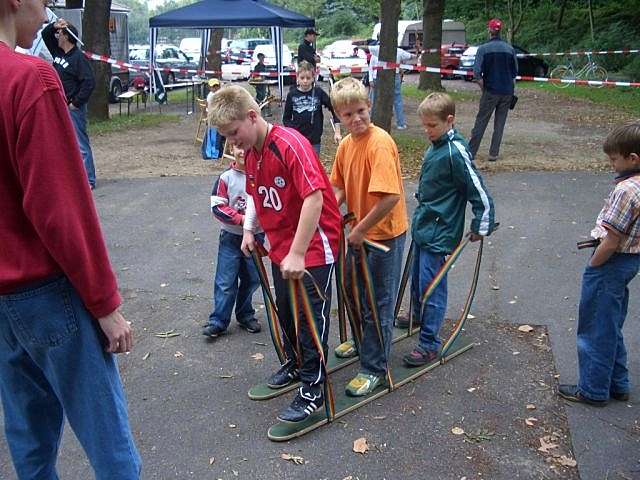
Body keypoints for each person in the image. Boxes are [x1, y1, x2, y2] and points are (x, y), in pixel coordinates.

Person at [0, 1, 141, 478]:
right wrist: (105, 304)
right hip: (46, 294)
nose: (45, 16)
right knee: (110, 449)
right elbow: (61, 210)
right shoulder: (29, 79)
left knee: (30, 448)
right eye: (43, 2)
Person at [208, 85, 341, 422]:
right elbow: (255, 194)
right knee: (285, 311)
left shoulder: (290, 144)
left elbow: (314, 199)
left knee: (310, 316)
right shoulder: (252, 152)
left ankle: (314, 388)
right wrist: (250, 230)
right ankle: (297, 365)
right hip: (282, 245)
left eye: (233, 132)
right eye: (225, 136)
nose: (232, 142)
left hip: (312, 244)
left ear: (252, 116)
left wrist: (297, 253)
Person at [329, 77, 408, 396]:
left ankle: (374, 366)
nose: (356, 119)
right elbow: (339, 186)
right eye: (348, 115)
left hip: (384, 236)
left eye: (360, 111)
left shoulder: (379, 142)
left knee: (379, 301)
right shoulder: (347, 145)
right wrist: (329, 215)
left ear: (369, 105)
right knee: (353, 290)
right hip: (358, 235)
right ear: (339, 116)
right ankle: (363, 341)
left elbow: (390, 197)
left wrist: (360, 229)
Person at [403, 92, 495, 367]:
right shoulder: (437, 145)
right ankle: (418, 315)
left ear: (449, 120)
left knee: (432, 287)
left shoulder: (456, 152)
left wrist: (482, 223)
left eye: (432, 125)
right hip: (424, 225)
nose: (427, 131)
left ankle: (430, 343)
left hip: (440, 231)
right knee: (417, 279)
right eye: (425, 125)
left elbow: (478, 190)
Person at [559, 122, 640, 407]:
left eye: (614, 159)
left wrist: (594, 265)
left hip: (611, 262)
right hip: (631, 261)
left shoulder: (627, 190)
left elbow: (613, 239)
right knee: (611, 322)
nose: (612, 165)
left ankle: (593, 389)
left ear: (633, 159)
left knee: (595, 326)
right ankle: (618, 383)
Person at [203, 145, 263, 338]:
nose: (243, 151)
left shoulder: (261, 175)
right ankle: (218, 320)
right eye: (238, 147)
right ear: (231, 148)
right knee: (225, 280)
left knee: (252, 278)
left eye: (247, 147)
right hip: (230, 237)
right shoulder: (226, 178)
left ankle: (245, 314)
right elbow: (218, 207)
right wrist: (243, 219)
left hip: (256, 237)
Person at [42, 17, 97, 189]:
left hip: (73, 108)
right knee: (62, 143)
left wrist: (76, 102)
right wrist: (54, 25)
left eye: (60, 33)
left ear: (66, 36)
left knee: (80, 144)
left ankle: (88, 180)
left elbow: (89, 82)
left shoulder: (78, 58)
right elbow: (45, 34)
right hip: (59, 106)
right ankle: (70, 178)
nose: (57, 35)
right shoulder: (58, 53)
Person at [467, 18, 518, 162]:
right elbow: (514, 75)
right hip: (507, 92)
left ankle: (471, 152)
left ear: (489, 30)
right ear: (500, 30)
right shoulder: (510, 49)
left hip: (491, 91)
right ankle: (493, 154)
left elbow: (477, 74)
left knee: (481, 122)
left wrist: (485, 88)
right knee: (500, 124)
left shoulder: (483, 49)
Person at [282, 60, 341, 157]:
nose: (305, 81)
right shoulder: (291, 94)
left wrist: (337, 131)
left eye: (308, 78)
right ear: (297, 77)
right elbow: (286, 118)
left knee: (313, 165)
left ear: (313, 78)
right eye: (302, 78)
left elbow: (334, 109)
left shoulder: (319, 92)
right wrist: (293, 132)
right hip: (298, 140)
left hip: (314, 140)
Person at [367, 45, 414, 129]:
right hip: (391, 75)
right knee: (397, 99)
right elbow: (410, 56)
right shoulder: (398, 51)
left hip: (379, 76)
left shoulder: (377, 50)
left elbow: (367, 48)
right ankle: (401, 123)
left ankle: (371, 122)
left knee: (375, 99)